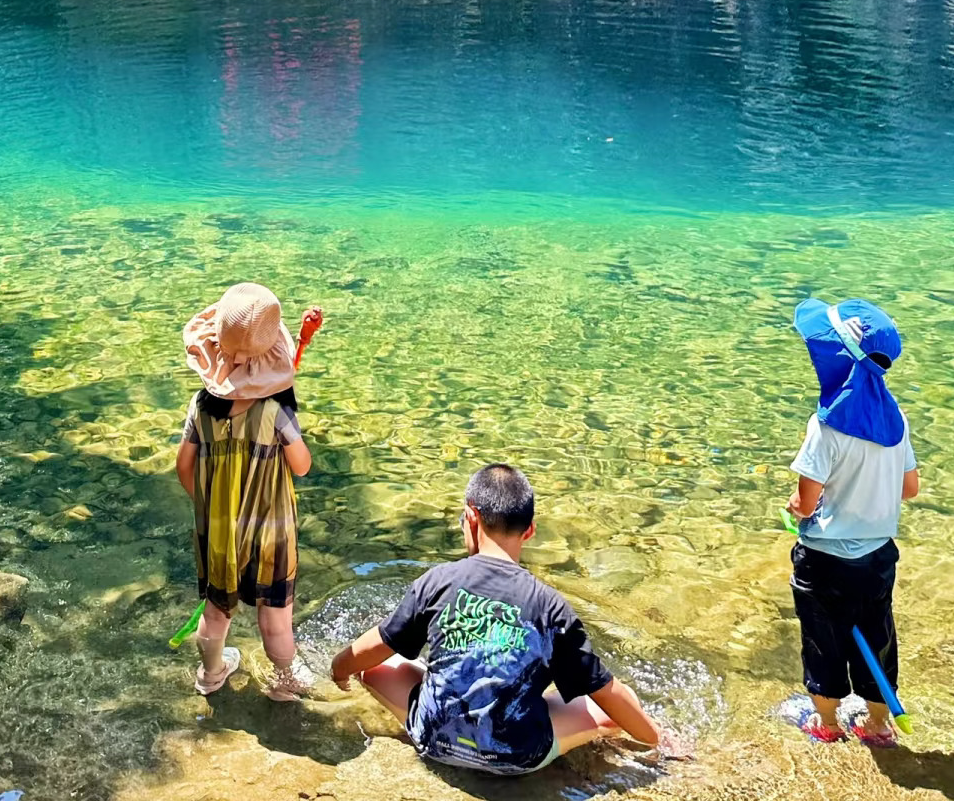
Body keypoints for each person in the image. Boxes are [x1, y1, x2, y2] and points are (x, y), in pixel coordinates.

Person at [328, 462, 673, 774]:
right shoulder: (550, 607)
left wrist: (338, 672)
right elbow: (606, 693)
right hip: (515, 756)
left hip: (435, 740)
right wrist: (656, 739)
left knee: (377, 664)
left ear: (471, 517)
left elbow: (371, 648)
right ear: (530, 531)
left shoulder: (437, 581)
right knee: (613, 700)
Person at [785, 297, 918, 747]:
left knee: (822, 641)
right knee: (877, 638)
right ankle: (877, 724)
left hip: (823, 560)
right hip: (878, 556)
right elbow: (909, 488)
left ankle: (826, 723)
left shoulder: (825, 426)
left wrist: (796, 507)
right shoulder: (896, 418)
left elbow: (807, 503)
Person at [175, 281, 316, 701]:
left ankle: (211, 674)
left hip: (220, 530)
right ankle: (284, 683)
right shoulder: (275, 411)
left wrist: (212, 508)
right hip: (272, 531)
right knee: (275, 618)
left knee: (216, 610)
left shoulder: (202, 406)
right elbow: (302, 466)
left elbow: (184, 467)